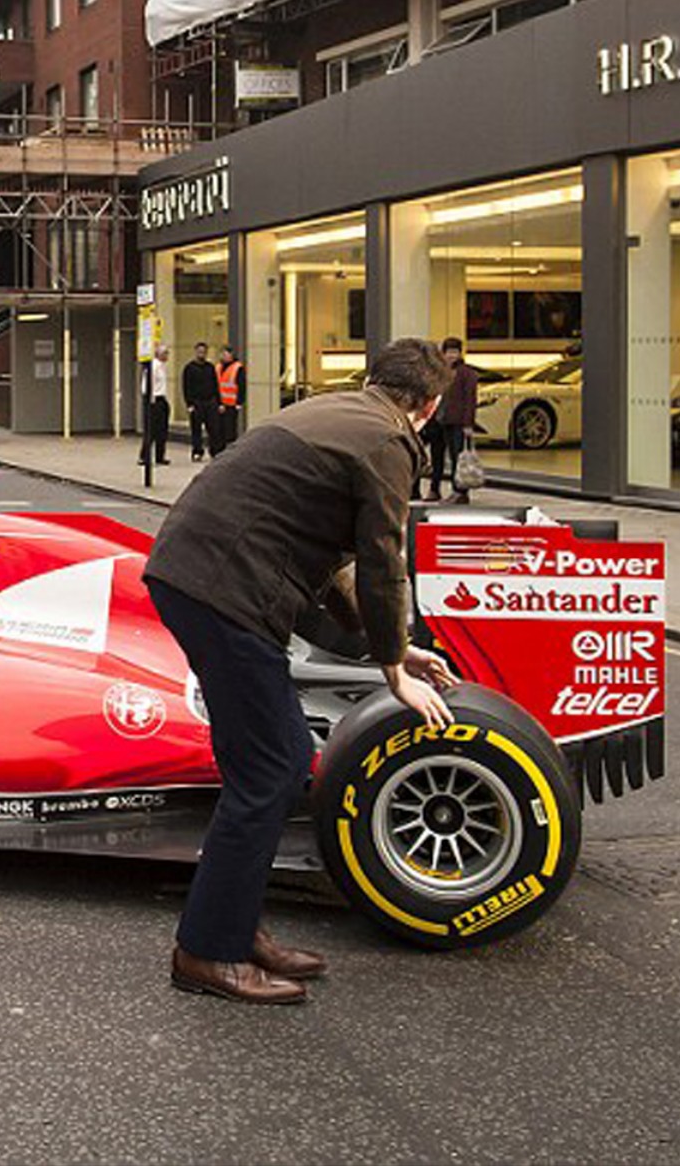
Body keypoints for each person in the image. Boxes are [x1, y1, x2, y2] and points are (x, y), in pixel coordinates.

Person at [143, 337, 458, 1005]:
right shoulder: (388, 441)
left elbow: (337, 562)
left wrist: (393, 647)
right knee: (276, 766)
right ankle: (207, 952)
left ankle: (232, 926)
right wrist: (392, 666)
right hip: (223, 587)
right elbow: (379, 559)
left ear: (374, 378)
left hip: (197, 574)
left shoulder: (339, 412)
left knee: (259, 770)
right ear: (428, 405)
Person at [432, 336, 481, 504]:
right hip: (445, 420)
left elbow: (470, 400)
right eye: (449, 352)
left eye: (455, 352)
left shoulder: (467, 373)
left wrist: (468, 424)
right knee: (451, 457)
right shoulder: (443, 373)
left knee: (458, 458)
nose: (452, 355)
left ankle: (460, 491)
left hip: (460, 421)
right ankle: (456, 490)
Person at [182, 341, 219, 463]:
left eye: (203, 352)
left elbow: (215, 385)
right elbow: (186, 387)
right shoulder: (189, 368)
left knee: (213, 429)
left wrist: (218, 402)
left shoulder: (210, 367)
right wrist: (189, 404)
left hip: (210, 402)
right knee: (196, 430)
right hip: (196, 403)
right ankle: (197, 452)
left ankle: (214, 451)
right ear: (195, 352)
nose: (201, 354)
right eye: (199, 351)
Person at [140, 342, 172, 465]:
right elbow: (146, 385)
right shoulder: (153, 366)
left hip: (161, 399)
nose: (167, 356)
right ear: (158, 354)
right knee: (151, 430)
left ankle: (160, 455)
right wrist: (150, 400)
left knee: (162, 431)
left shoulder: (162, 366)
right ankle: (145, 456)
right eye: (165, 353)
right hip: (154, 400)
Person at [213, 343, 245, 454]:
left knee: (230, 430)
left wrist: (239, 402)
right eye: (222, 354)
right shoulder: (217, 367)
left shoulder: (237, 367)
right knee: (218, 429)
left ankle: (230, 451)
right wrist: (218, 403)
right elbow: (214, 386)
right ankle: (219, 451)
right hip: (219, 403)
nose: (224, 356)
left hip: (231, 404)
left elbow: (241, 385)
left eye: (226, 354)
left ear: (231, 355)